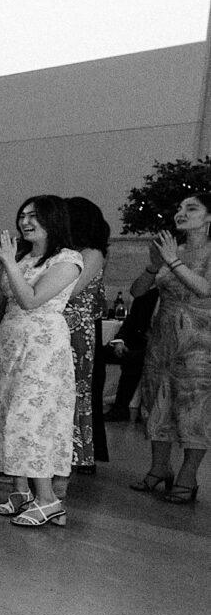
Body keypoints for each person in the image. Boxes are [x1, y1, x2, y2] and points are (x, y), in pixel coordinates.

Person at [0, 196, 84, 527]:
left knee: (32, 417)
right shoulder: (19, 258)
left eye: (34, 216)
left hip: (43, 350)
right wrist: (0, 266)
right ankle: (21, 491)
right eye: (22, 215)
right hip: (10, 345)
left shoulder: (68, 260)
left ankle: (49, 500)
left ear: (53, 220)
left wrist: (9, 263)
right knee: (9, 413)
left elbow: (31, 299)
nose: (26, 222)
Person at [129, 190, 211, 504]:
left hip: (200, 342)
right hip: (162, 339)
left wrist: (173, 261)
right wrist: (153, 266)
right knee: (157, 403)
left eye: (191, 208)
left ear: (208, 218)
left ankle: (188, 476)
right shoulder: (169, 249)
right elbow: (137, 292)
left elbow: (203, 289)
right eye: (179, 208)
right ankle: (159, 468)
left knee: (194, 407)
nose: (182, 212)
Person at [64, 197, 111, 474]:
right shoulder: (66, 252)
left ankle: (78, 453)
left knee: (75, 389)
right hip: (60, 326)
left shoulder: (92, 253)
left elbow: (71, 289)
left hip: (78, 329)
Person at [101, 288, 157, 420]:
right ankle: (93, 400)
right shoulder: (146, 296)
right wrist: (119, 341)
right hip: (136, 343)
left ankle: (121, 408)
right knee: (99, 353)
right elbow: (130, 323)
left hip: (158, 348)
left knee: (133, 359)